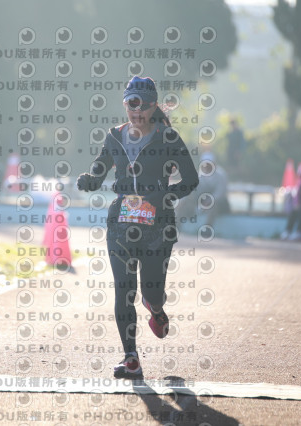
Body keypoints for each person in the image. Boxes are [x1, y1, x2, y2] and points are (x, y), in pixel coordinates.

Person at [76, 76, 199, 379]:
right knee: (123, 290)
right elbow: (99, 168)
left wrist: (165, 196)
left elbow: (191, 180)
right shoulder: (114, 136)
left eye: (143, 105)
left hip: (158, 227)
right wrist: (91, 180)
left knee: (152, 292)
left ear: (153, 106)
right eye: (132, 104)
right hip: (121, 223)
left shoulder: (168, 138)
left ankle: (155, 308)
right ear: (125, 104)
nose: (137, 111)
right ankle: (131, 358)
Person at [197, 151, 230, 226]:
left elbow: (220, 194)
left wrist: (208, 201)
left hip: (221, 204)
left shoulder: (221, 175)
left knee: (212, 204)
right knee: (186, 201)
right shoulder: (199, 175)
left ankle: (208, 227)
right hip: (204, 202)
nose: (206, 166)